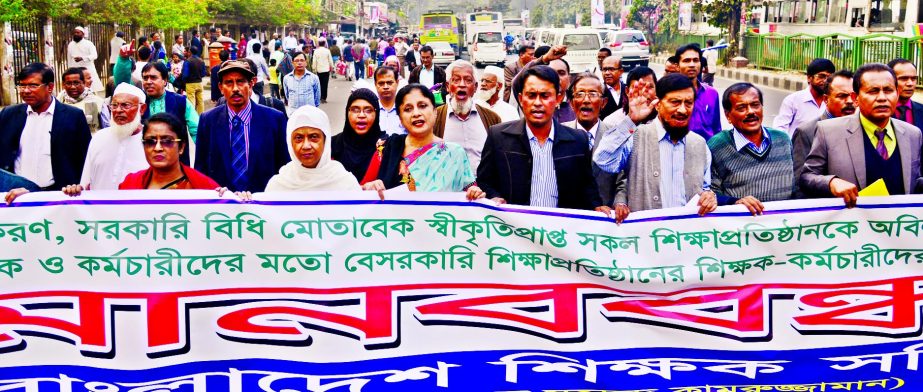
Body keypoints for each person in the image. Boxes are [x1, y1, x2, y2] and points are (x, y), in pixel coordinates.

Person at [477, 66, 607, 213]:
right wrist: (494, 197)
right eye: (531, 95)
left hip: (559, 232)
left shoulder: (577, 141)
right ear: (521, 99)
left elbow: (587, 186)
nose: (538, 103)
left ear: (558, 98)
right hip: (515, 231)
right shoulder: (499, 136)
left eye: (545, 96)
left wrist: (597, 206)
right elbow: (485, 181)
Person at [595, 73, 716, 223]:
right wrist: (631, 121)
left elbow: (704, 188)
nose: (683, 110)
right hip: (647, 239)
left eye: (688, 103)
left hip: (687, 237)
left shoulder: (699, 144)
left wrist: (709, 196)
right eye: (675, 102)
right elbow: (603, 160)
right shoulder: (636, 136)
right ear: (658, 104)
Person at [801, 63, 923, 207]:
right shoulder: (828, 131)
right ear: (856, 97)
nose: (882, 97)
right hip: (852, 226)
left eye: (888, 90)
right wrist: (831, 182)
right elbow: (806, 177)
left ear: (896, 92)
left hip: (898, 225)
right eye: (873, 91)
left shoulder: (913, 134)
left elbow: (915, 181)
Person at [361, 84, 485, 200]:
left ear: (435, 111)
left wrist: (474, 192)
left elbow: (469, 196)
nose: (416, 113)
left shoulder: (454, 153)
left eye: (422, 106)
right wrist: (370, 187)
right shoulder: (386, 149)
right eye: (408, 109)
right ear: (400, 119)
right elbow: (359, 194)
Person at [195, 60, 289, 192]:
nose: (235, 89)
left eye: (240, 81)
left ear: (251, 84)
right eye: (229, 83)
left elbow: (285, 168)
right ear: (221, 88)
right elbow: (201, 170)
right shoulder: (208, 121)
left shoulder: (274, 119)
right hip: (222, 207)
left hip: (262, 206)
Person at [0, 63, 91, 190]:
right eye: (22, 85)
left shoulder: (73, 117)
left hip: (57, 195)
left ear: (50, 87)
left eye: (33, 85)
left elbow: (86, 157)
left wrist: (79, 186)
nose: (26, 91)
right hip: (16, 195)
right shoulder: (9, 115)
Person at [707, 83, 793, 215]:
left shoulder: (783, 139)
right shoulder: (718, 146)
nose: (751, 112)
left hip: (784, 227)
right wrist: (736, 202)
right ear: (728, 116)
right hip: (741, 228)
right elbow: (710, 194)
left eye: (755, 105)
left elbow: (797, 186)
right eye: (741, 108)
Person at [64, 84, 149, 194]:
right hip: (98, 209)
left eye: (125, 105)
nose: (118, 110)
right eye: (114, 105)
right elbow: (86, 182)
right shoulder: (99, 138)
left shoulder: (151, 142)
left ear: (141, 109)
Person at [265, 105, 361, 192]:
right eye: (299, 138)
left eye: (313, 137)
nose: (306, 146)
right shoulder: (278, 186)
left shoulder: (345, 183)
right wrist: (250, 204)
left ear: (325, 141)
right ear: (290, 143)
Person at [791, 70, 856, 197]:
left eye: (853, 96)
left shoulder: (862, 128)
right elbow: (799, 182)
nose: (849, 101)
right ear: (826, 99)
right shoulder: (807, 132)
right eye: (842, 96)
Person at [120, 113, 218, 190]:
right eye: (150, 141)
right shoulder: (131, 184)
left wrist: (226, 200)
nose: (157, 148)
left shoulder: (204, 188)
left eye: (167, 141)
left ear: (181, 147)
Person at [435, 60, 503, 171]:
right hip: (448, 187)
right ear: (448, 86)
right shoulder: (435, 117)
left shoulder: (492, 118)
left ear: (475, 87)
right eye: (456, 80)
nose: (462, 85)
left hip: (482, 186)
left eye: (468, 80)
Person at [141, 62, 197, 164]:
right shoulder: (139, 103)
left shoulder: (181, 102)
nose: (148, 82)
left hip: (177, 165)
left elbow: (197, 130)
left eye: (153, 77)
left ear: (165, 80)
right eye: (145, 78)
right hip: (145, 164)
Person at [331, 88, 387, 183]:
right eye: (355, 110)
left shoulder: (387, 146)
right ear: (347, 113)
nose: (361, 115)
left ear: (376, 114)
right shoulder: (332, 145)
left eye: (368, 110)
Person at [774, 58, 836, 135]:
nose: (825, 81)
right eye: (821, 76)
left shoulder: (834, 102)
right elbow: (780, 130)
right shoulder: (792, 101)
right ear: (809, 78)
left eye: (829, 77)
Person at [675, 43, 721, 140]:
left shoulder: (712, 93)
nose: (692, 65)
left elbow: (716, 129)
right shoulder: (669, 95)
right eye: (686, 61)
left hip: (707, 151)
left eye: (696, 60)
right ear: (677, 65)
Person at [562, 73, 607, 149]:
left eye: (593, 94)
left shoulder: (615, 135)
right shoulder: (559, 133)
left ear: (603, 102)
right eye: (580, 94)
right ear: (572, 103)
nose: (586, 100)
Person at [57, 67, 104, 134]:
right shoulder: (58, 104)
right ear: (63, 85)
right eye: (68, 83)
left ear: (84, 83)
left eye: (76, 83)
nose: (73, 87)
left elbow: (106, 128)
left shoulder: (98, 103)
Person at [888, 58, 923, 131]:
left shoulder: (921, 110)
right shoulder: (879, 111)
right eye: (903, 79)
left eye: (913, 79)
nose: (910, 83)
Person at [67, 26, 103, 94]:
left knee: (92, 89)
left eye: (78, 32)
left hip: (88, 69)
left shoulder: (89, 44)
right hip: (75, 69)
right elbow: (69, 58)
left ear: (82, 34)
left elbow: (94, 55)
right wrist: (69, 70)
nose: (76, 34)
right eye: (74, 33)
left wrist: (83, 58)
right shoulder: (70, 44)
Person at [374, 66, 406, 135]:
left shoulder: (406, 109)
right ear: (375, 84)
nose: (385, 87)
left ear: (397, 82)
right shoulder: (371, 110)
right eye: (381, 83)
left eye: (389, 83)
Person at [181, 47, 207, 115]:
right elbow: (204, 73)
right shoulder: (201, 61)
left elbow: (185, 75)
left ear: (190, 52)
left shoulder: (187, 61)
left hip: (190, 83)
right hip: (199, 83)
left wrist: (183, 81)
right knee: (200, 101)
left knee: (191, 101)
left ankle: (192, 116)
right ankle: (201, 116)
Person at [600, 55, 626, 120]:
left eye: (611, 69)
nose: (607, 73)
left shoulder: (628, 90)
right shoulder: (598, 92)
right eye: (604, 69)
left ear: (621, 71)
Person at [312, 39, 334, 104]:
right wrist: (332, 67)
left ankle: (320, 97)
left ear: (318, 44)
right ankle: (324, 98)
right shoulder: (327, 51)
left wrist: (314, 69)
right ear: (324, 44)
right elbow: (330, 60)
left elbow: (314, 61)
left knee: (319, 84)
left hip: (319, 70)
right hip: (326, 70)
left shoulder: (316, 51)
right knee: (325, 84)